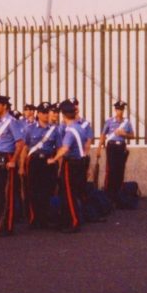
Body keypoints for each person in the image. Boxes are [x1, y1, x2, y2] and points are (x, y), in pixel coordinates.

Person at [47, 100, 88, 233]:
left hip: (71, 163)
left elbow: (64, 148)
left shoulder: (70, 130)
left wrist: (54, 159)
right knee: (71, 193)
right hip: (81, 162)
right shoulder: (80, 127)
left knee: (68, 194)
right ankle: (67, 220)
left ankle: (73, 222)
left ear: (63, 115)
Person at [0, 94, 25, 236]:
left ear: (5, 106)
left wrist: (14, 160)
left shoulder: (11, 122)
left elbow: (20, 143)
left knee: (6, 193)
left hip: (6, 158)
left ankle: (7, 225)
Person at [22, 102, 60, 228]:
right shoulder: (30, 128)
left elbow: (59, 148)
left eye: (47, 112)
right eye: (43, 112)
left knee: (47, 190)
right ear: (38, 114)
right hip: (34, 162)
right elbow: (25, 148)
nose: (45, 115)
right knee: (33, 190)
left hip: (48, 162)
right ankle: (34, 219)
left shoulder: (55, 130)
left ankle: (44, 218)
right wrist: (21, 166)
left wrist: (57, 163)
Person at [99, 100, 134, 206]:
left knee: (120, 170)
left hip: (121, 147)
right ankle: (109, 195)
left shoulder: (126, 122)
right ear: (115, 110)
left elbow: (132, 135)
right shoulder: (109, 121)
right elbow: (103, 135)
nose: (120, 111)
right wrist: (99, 149)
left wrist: (125, 134)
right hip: (112, 146)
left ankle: (118, 195)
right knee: (111, 170)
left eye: (122, 109)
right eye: (118, 109)